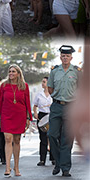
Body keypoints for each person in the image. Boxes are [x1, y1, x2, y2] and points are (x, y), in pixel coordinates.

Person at [47, 45, 80, 177]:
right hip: (56, 106)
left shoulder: (77, 72)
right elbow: (50, 88)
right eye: (63, 55)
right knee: (51, 134)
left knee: (67, 138)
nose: (65, 58)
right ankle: (58, 162)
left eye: (67, 56)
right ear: (60, 57)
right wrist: (56, 97)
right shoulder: (55, 71)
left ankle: (65, 168)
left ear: (71, 57)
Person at [0, 64, 32, 177]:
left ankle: (16, 167)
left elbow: (27, 103)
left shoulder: (24, 86)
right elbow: (0, 102)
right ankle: (7, 167)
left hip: (19, 115)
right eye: (10, 71)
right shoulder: (4, 85)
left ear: (18, 74)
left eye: (13, 71)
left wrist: (28, 117)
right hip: (6, 115)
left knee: (17, 140)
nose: (11, 73)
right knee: (7, 138)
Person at [33, 77, 54, 166]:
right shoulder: (39, 94)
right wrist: (35, 113)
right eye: (42, 81)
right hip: (42, 115)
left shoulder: (53, 94)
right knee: (43, 139)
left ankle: (53, 158)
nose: (42, 83)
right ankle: (42, 159)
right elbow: (35, 105)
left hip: (51, 116)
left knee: (53, 138)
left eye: (44, 82)